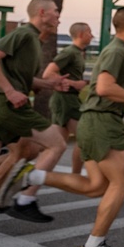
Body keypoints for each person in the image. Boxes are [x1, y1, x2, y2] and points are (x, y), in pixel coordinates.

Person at [0, 6, 124, 247]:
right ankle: (94, 245)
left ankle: (33, 174)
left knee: (96, 187)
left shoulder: (121, 51)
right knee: (122, 182)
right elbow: (104, 88)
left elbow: (105, 90)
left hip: (95, 121)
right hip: (103, 124)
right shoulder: (117, 50)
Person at [0, 0, 70, 222]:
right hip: (9, 106)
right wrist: (9, 91)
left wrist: (50, 84)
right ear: (42, 12)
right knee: (57, 144)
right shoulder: (25, 34)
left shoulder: (34, 40)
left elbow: (22, 79)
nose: (59, 15)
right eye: (55, 11)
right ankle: (24, 200)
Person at [44, 22, 93, 174]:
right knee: (85, 138)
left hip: (69, 99)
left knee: (55, 145)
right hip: (65, 100)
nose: (92, 35)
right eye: (89, 32)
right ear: (81, 34)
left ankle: (35, 178)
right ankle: (75, 175)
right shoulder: (69, 52)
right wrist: (73, 83)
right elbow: (48, 74)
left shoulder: (78, 53)